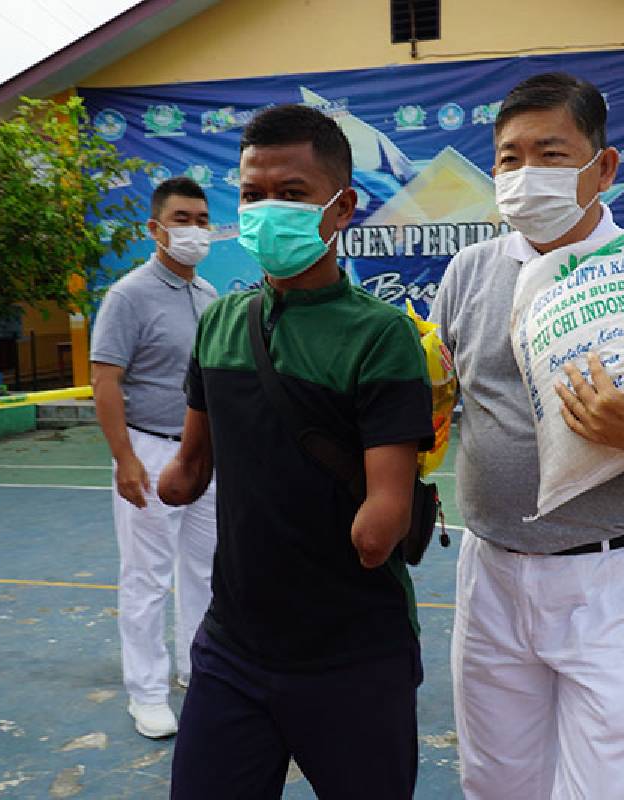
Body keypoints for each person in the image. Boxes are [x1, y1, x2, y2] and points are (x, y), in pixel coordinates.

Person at [431, 72, 624, 799]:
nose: (524, 175)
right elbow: (444, 400)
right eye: (508, 159)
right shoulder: (471, 272)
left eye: (550, 153)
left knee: (615, 787)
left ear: (602, 167)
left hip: (615, 580)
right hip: (492, 573)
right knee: (496, 780)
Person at [157, 104, 433, 799]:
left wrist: (376, 528)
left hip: (353, 655)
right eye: (252, 195)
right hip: (232, 650)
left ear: (340, 208)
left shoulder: (380, 336)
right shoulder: (222, 321)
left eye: (292, 193)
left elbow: (386, 514)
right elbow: (190, 468)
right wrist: (160, 480)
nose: (267, 210)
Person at [90, 176, 219, 739]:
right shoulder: (128, 296)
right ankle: (145, 691)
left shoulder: (209, 298)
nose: (193, 230)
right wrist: (124, 458)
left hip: (203, 455)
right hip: (148, 447)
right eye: (182, 219)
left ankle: (199, 669)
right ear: (155, 228)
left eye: (200, 219)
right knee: (145, 576)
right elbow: (105, 381)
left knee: (206, 570)